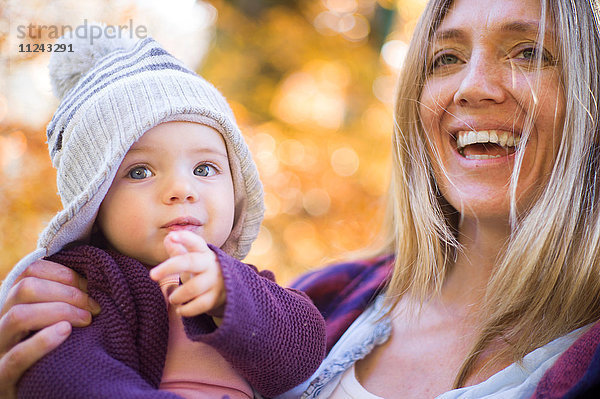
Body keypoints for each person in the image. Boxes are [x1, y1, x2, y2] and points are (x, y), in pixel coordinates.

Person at [3, 0, 600, 397]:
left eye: (530, 52)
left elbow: (291, 345)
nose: (472, 85)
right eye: (446, 57)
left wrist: (226, 292)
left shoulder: (248, 289)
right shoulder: (334, 294)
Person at [0, 28, 326, 399]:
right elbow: (66, 379)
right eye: (140, 172)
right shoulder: (85, 288)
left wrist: (230, 295)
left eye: (204, 169)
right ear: (93, 202)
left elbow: (304, 353)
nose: (182, 189)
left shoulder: (239, 281)